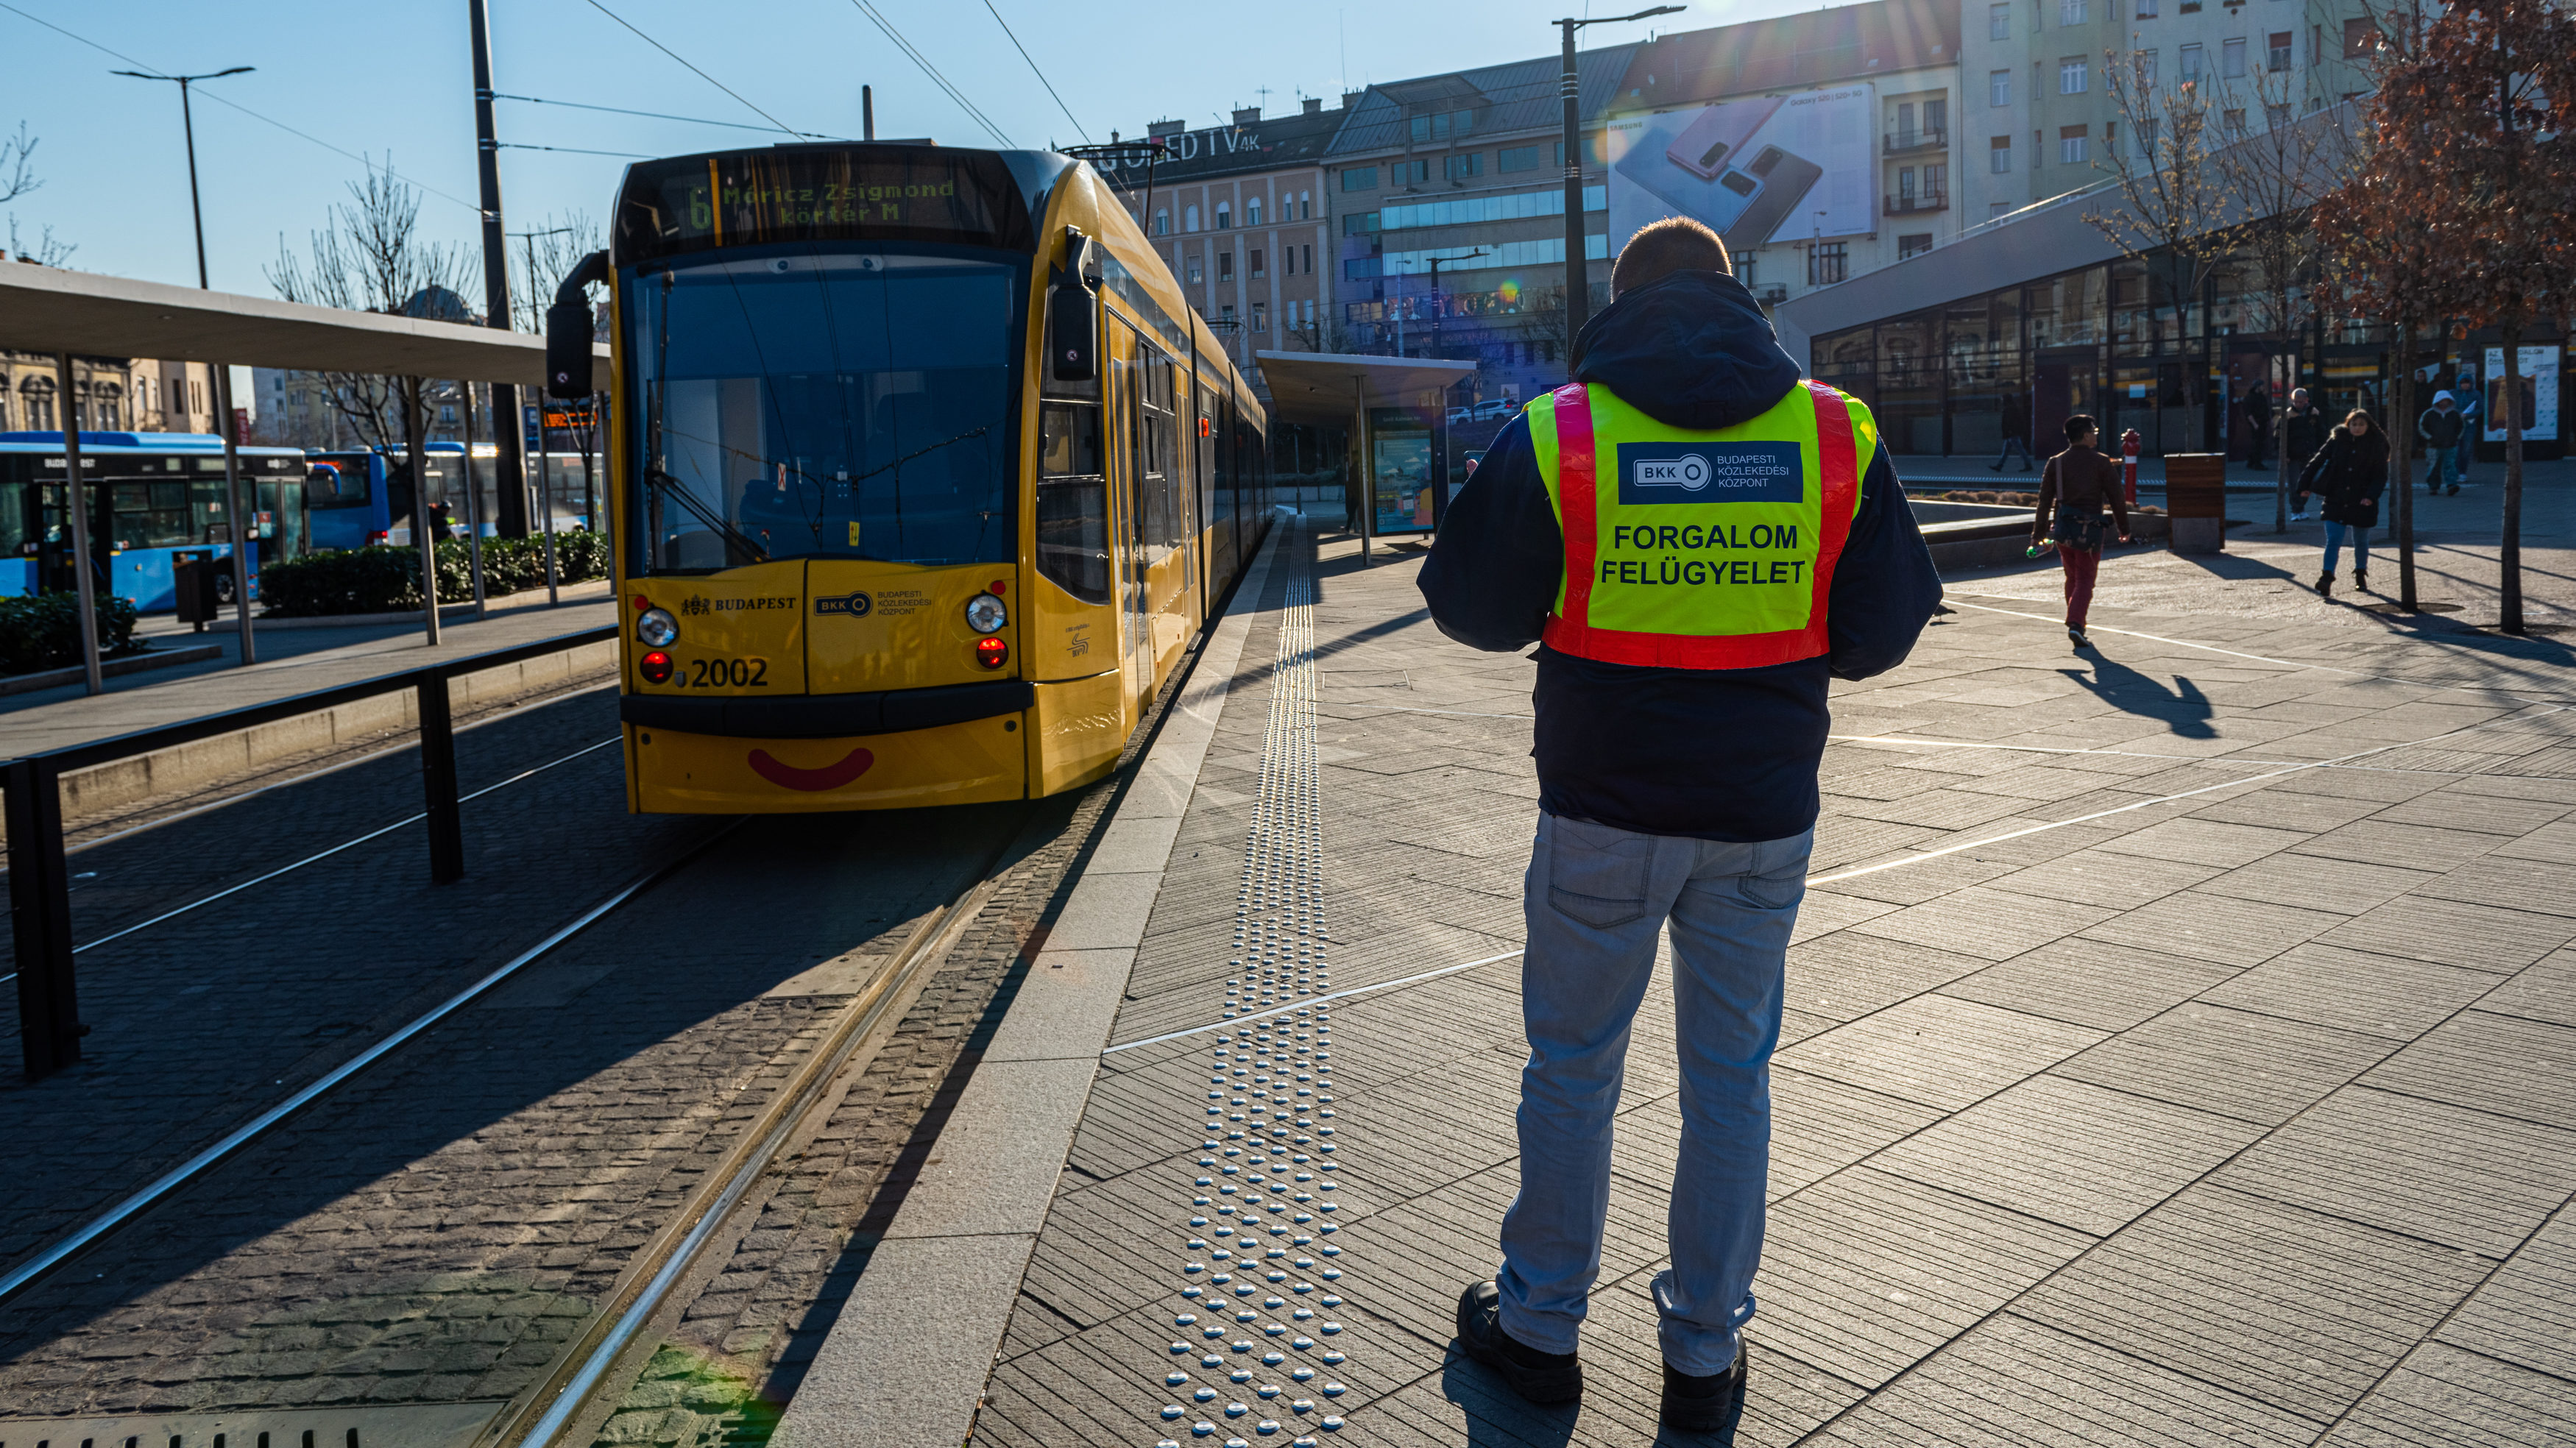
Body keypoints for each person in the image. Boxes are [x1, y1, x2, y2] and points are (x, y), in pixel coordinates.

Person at [1418, 215, 1941, 1433]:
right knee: (1729, 1082)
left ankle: (1541, 1329)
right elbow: (1881, 630)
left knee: (1572, 1072)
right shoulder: (1831, 429)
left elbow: (1468, 605)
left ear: (1621, 299)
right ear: (1733, 293)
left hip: (1603, 807)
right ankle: (1704, 1357)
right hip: (1761, 814)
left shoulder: (1563, 432)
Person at [2030, 414, 2133, 650]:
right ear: (2085, 435)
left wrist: (2038, 535)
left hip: (2063, 531)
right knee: (2086, 579)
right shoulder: (2101, 462)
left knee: (2073, 577)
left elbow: (2044, 502)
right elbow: (2117, 499)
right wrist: (2124, 529)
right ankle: (2076, 623)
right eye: (2094, 431)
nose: (2096, 435)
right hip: (2090, 532)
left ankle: (2076, 623)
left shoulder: (2055, 462)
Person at [2296, 409, 2390, 597]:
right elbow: (2317, 461)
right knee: (2333, 540)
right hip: (2336, 497)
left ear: (2368, 426)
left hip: (2362, 500)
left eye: (2361, 424)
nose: (2357, 428)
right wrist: (2303, 485)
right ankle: (2326, 578)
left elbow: (2380, 476)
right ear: (2348, 425)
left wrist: (2371, 496)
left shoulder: (2376, 445)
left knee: (2361, 540)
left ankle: (2360, 573)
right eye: (2354, 424)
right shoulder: (2338, 440)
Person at [2419, 390, 2465, 495]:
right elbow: (2422, 428)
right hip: (2433, 446)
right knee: (2433, 467)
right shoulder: (2429, 414)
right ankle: (2433, 486)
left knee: (2451, 466)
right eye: (2442, 400)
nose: (2444, 402)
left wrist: (2456, 438)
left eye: (2446, 400)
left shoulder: (2455, 414)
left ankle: (2451, 485)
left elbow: (2461, 427)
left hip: (2451, 445)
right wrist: (2430, 438)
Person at [1992, 387, 2034, 472]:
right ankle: (2000, 465)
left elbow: (2010, 422)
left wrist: (2010, 431)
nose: (2001, 401)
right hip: (2011, 434)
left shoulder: (2009, 409)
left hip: (2011, 434)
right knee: (2006, 451)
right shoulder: (2012, 408)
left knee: (2020, 450)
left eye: (2002, 399)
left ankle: (2028, 464)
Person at [2453, 373, 2481, 484]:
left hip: (2469, 426)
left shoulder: (2476, 394)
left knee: (2466, 450)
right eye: (2463, 383)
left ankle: (2463, 472)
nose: (2465, 385)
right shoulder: (2453, 393)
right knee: (2455, 450)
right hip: (2456, 426)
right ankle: (2455, 472)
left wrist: (2468, 415)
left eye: (2467, 382)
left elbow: (2480, 408)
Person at [2240, 380, 2274, 470]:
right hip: (2257, 423)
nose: (2263, 387)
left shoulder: (2262, 397)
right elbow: (2248, 413)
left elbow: (2266, 410)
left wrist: (2269, 420)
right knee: (2258, 444)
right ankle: (2257, 463)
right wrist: (2255, 424)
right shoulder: (2250, 398)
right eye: (2262, 386)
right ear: (2257, 387)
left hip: (2262, 423)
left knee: (2259, 443)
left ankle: (2251, 461)